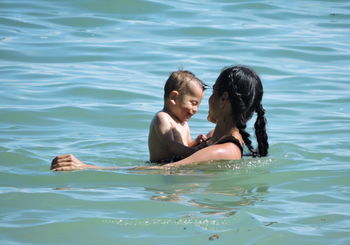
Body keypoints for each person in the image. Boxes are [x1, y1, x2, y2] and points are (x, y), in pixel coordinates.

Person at [50, 66, 268, 171]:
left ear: (223, 100)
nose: (205, 102)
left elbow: (165, 171)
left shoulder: (223, 150)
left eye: (211, 94)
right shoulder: (214, 138)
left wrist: (87, 167)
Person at [148, 70, 207, 163]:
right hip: (162, 165)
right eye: (193, 103)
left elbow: (185, 146)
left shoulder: (184, 123)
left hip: (176, 163)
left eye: (198, 105)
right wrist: (195, 152)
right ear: (174, 97)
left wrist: (196, 143)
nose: (196, 109)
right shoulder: (162, 118)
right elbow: (170, 146)